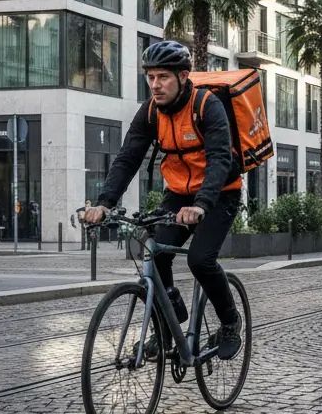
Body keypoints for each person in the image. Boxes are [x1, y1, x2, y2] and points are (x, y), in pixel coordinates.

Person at [82, 41, 243, 360]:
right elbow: (128, 158)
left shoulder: (206, 106)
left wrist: (201, 205)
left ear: (183, 77)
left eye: (163, 77)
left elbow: (220, 159)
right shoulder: (151, 111)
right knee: (152, 253)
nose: (155, 84)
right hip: (178, 194)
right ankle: (169, 324)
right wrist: (104, 203)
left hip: (219, 193)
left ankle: (229, 321)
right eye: (150, 77)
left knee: (200, 260)